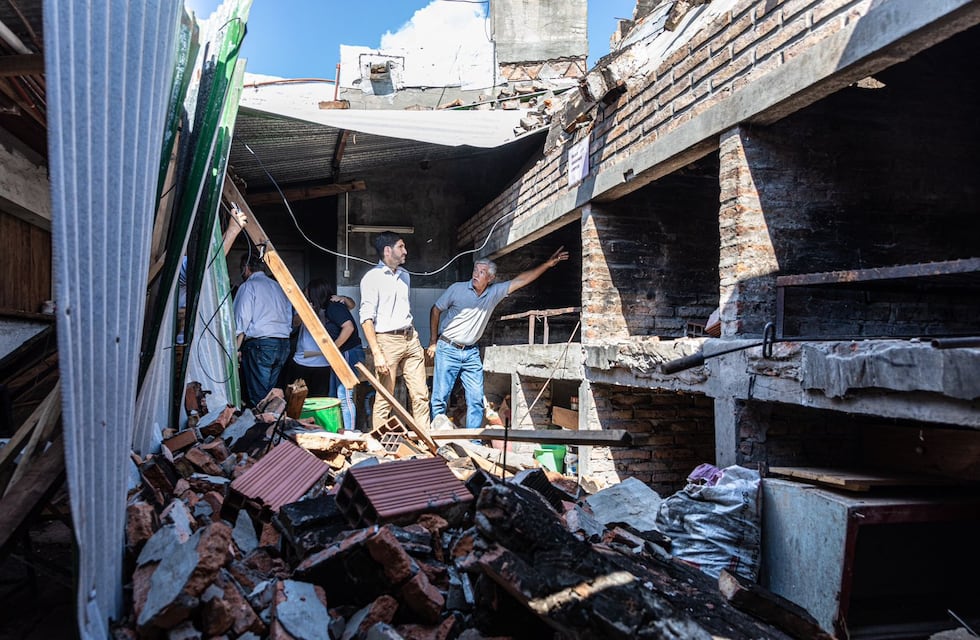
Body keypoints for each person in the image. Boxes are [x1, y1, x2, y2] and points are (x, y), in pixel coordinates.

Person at [427, 247, 569, 429]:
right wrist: (433, 341)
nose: (476, 275)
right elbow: (436, 309)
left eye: (482, 272)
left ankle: (474, 442)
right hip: (448, 347)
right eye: (475, 271)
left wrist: (548, 264)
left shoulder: (494, 293)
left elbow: (521, 280)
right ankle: (438, 439)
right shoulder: (457, 289)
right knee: (440, 397)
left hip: (471, 352)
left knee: (476, 399)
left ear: (490, 278)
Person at [359, 231, 430, 433]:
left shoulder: (405, 276)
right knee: (385, 397)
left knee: (420, 394)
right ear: (388, 250)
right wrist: (377, 353)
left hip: (411, 338)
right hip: (387, 341)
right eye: (401, 246)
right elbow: (366, 318)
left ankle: (425, 441)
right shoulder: (372, 278)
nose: (405, 251)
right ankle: (381, 447)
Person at [289, 279, 365, 430]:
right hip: (323, 355)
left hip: (346, 352)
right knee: (334, 396)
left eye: (308, 293)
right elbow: (295, 322)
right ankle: (337, 429)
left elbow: (348, 327)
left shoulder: (332, 307)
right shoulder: (325, 307)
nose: (306, 296)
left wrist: (333, 348)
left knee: (344, 396)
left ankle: (349, 431)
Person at [233, 254, 293, 406]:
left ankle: (263, 427)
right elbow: (288, 316)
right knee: (270, 394)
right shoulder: (278, 286)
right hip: (282, 343)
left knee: (259, 397)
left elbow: (241, 321)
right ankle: (272, 425)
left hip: (261, 345)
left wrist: (235, 349)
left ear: (246, 269)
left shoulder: (248, 287)